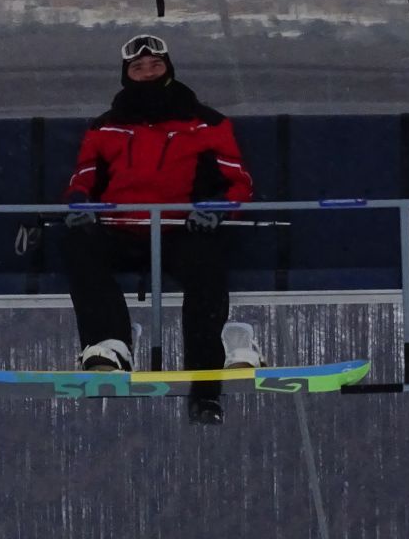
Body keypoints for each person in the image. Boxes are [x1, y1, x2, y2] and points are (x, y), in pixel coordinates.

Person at [62, 34, 260, 424]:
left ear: (169, 68)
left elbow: (238, 182)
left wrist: (217, 210)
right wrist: (80, 203)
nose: (148, 73)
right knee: (78, 247)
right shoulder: (106, 127)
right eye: (138, 68)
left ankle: (205, 383)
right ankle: (109, 345)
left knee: (205, 268)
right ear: (127, 75)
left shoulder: (205, 122)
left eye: (155, 66)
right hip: (121, 226)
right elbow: (84, 176)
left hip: (179, 228)